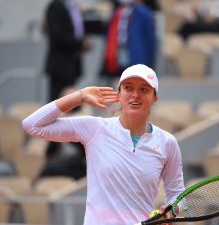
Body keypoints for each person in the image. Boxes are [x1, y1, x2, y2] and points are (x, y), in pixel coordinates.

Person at [22, 64, 185, 225]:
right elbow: (32, 125)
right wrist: (80, 96)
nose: (135, 95)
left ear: (154, 98)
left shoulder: (167, 142)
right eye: (128, 88)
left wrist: (172, 212)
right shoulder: (95, 128)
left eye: (144, 89)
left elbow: (177, 193)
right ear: (119, 95)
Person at [43, 0, 89, 159]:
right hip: (59, 66)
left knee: (72, 109)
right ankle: (53, 148)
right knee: (56, 108)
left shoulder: (72, 5)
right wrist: (79, 43)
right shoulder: (54, 7)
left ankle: (72, 146)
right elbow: (57, 35)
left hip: (71, 65)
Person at [101, 0, 156, 83]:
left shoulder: (143, 13)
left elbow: (150, 40)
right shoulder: (116, 13)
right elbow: (108, 37)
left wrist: (149, 63)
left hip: (136, 56)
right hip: (116, 56)